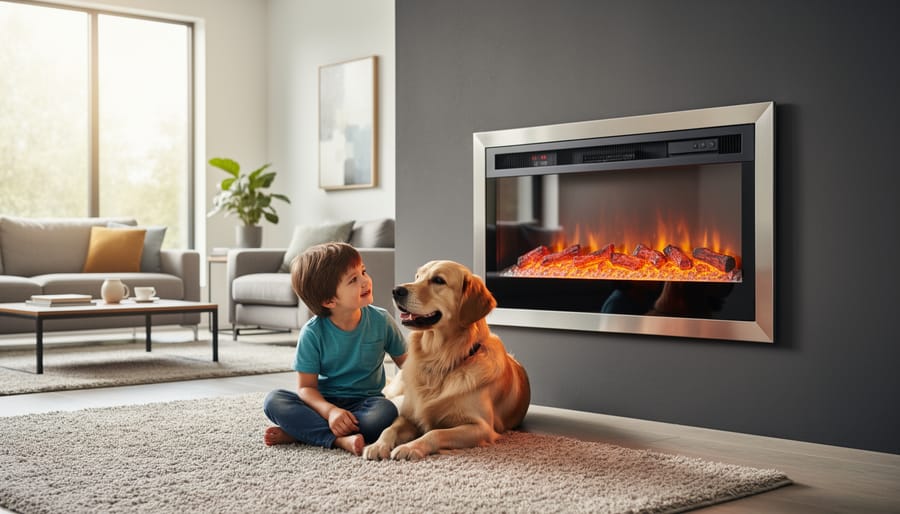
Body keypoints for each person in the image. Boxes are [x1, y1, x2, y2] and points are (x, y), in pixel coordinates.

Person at [263, 242, 407, 455]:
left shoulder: (381, 321)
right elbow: (306, 388)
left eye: (364, 272)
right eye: (353, 279)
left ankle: (303, 434)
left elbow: (409, 365)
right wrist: (331, 412)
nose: (365, 281)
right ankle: (339, 441)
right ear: (329, 300)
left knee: (385, 413)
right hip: (323, 405)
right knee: (274, 401)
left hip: (366, 405)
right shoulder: (313, 333)